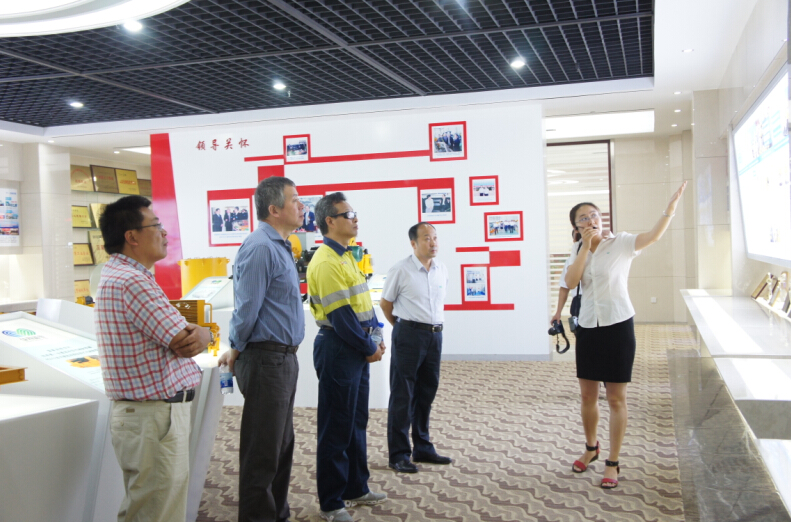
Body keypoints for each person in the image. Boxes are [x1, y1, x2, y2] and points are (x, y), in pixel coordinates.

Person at [95, 195, 213, 522]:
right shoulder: (132, 281)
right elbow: (185, 340)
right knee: (155, 510)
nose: (164, 233)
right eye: (156, 225)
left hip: (148, 416)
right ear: (132, 236)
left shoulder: (123, 275)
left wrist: (200, 333)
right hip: (153, 416)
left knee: (152, 505)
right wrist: (206, 333)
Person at [565, 181, 687, 489]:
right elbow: (571, 281)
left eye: (594, 215)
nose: (591, 220)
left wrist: (669, 210)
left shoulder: (621, 243)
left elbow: (653, 236)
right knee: (587, 396)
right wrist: (584, 248)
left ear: (601, 217)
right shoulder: (577, 250)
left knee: (616, 398)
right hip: (588, 327)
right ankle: (591, 448)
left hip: (618, 325)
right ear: (576, 228)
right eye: (583, 218)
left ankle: (613, 461)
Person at [218, 177, 305, 522]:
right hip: (266, 359)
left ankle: (277, 515)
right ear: (274, 209)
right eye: (294, 200)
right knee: (262, 452)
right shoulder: (260, 248)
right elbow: (247, 307)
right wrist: (236, 347)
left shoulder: (281, 245)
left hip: (283, 359)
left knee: (280, 447)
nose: (301, 205)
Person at [307, 192, 388, 522]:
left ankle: (356, 487)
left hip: (355, 346)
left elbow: (363, 305)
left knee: (356, 421)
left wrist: (377, 335)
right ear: (330, 221)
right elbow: (341, 318)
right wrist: (369, 347)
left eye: (354, 214)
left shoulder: (346, 255)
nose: (355, 219)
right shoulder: (326, 261)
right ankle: (331, 502)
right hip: (339, 348)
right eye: (348, 214)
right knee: (336, 426)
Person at [379, 222, 451, 474]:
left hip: (435, 336)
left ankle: (422, 447)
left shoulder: (442, 269)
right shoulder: (401, 270)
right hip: (409, 335)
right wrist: (402, 328)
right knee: (403, 394)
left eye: (435, 238)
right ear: (413, 243)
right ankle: (399, 454)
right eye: (427, 238)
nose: (433, 243)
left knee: (426, 392)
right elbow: (386, 304)